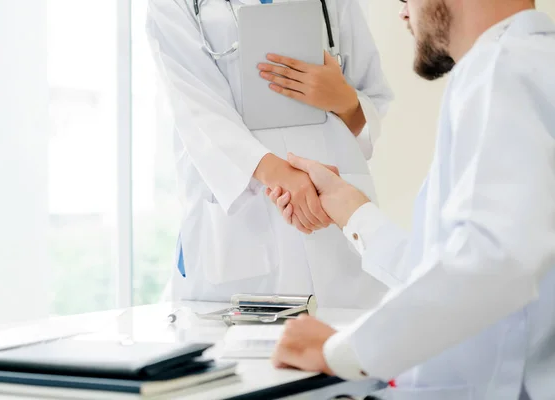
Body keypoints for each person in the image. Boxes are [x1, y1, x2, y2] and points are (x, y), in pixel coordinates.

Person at [267, 0, 555, 398]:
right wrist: (353, 213)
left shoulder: (501, 68)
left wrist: (341, 351)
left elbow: (495, 259)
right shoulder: (531, 64)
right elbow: (455, 266)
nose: (402, 13)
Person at [145, 0, 393, 308]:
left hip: (331, 215)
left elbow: (373, 100)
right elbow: (196, 110)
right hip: (245, 217)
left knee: (343, 346)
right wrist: (281, 175)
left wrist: (344, 100)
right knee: (237, 348)